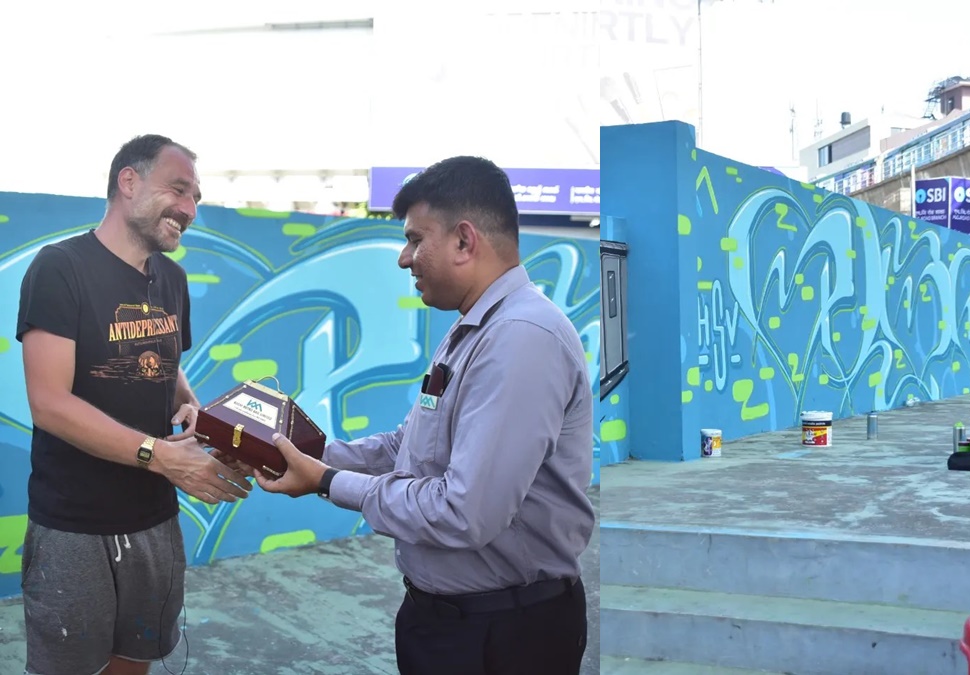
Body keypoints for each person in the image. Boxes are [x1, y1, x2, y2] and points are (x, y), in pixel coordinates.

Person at [254, 155, 595, 675]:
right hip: (451, 622)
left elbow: (465, 512)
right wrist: (301, 451)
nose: (404, 258)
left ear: (464, 241)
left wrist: (325, 481)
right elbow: (408, 448)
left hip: (504, 634)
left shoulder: (521, 339)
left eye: (415, 239)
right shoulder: (474, 328)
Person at [16, 134, 253, 675]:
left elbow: (166, 360)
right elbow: (48, 403)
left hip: (154, 519)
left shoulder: (172, 278)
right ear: (129, 181)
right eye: (178, 190)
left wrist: (190, 404)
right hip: (74, 525)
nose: (190, 209)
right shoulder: (60, 268)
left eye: (196, 197)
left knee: (135, 660)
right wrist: (162, 456)